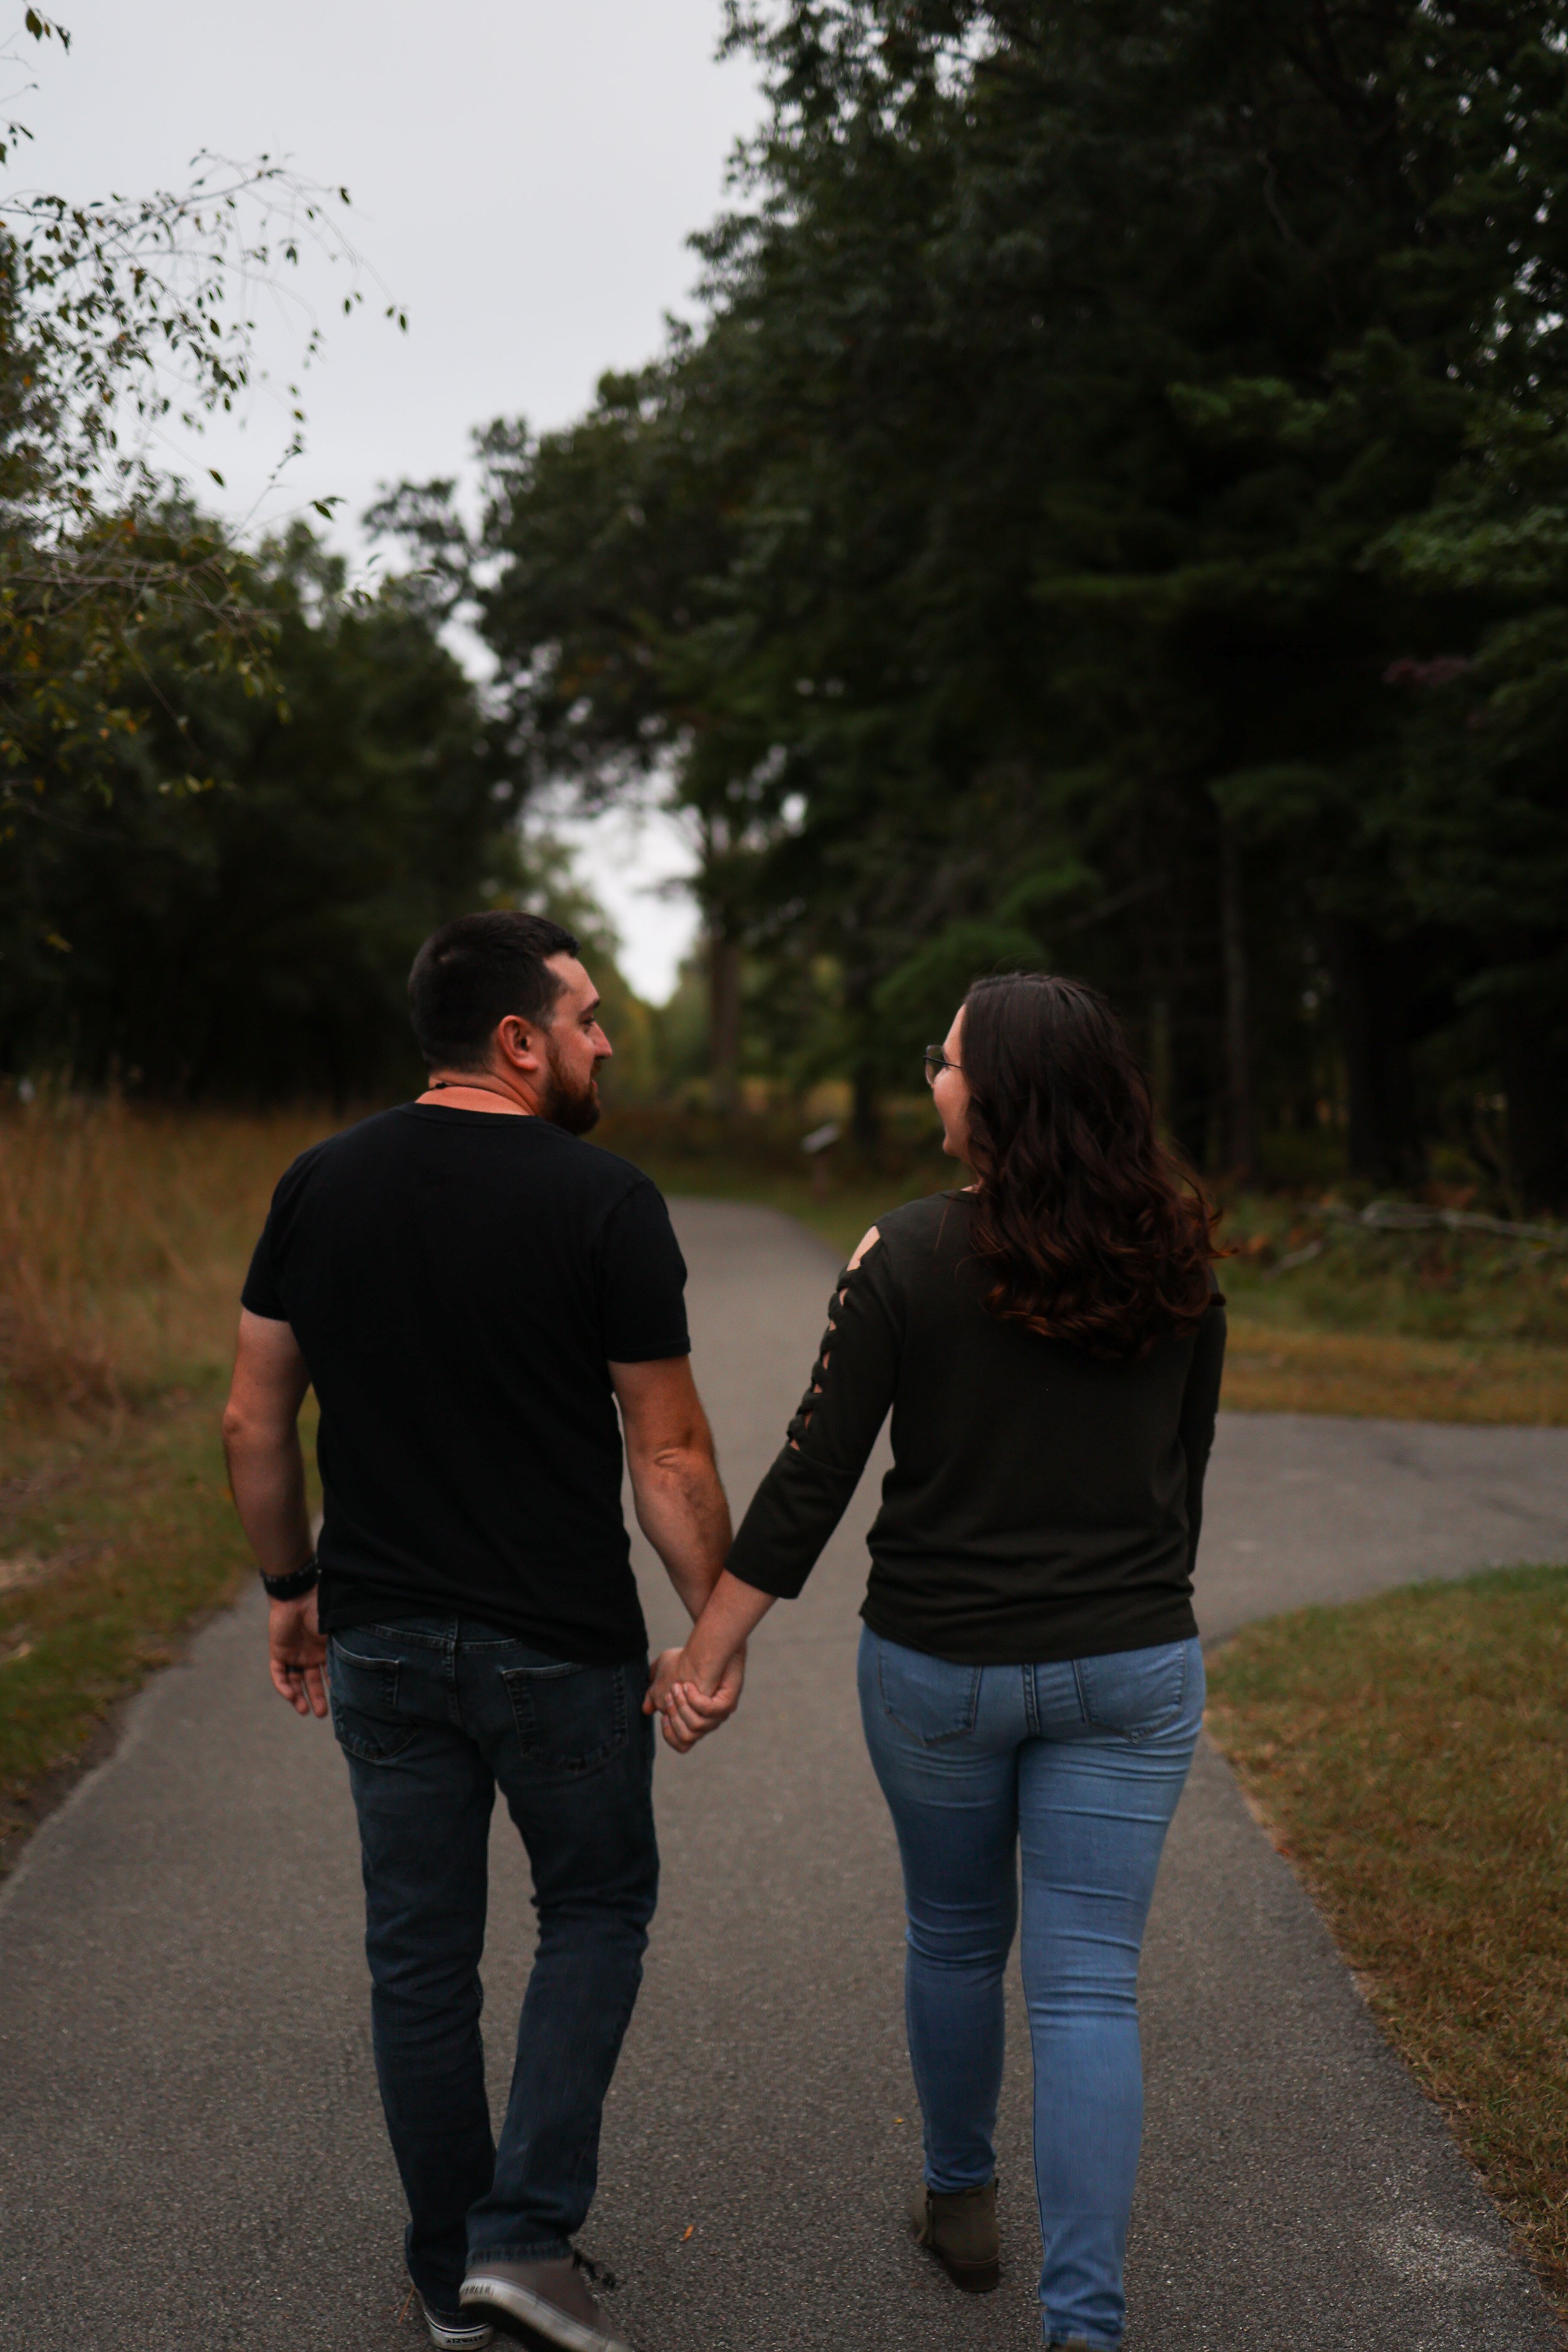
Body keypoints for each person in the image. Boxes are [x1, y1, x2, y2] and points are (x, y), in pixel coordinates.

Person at [649, 973, 1225, 2352]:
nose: (933, 1082)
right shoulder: (1180, 1262)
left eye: (947, 1062)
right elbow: (1179, 1480)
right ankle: (1082, 2325)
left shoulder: (902, 1254)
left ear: (1000, 1094)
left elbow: (810, 1481)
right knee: (1089, 1985)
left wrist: (705, 1654)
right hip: (1131, 1660)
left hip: (941, 1670)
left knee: (957, 1939)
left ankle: (959, 2200)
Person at [223, 910, 739, 2352]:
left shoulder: (317, 1186)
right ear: (518, 1039)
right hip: (556, 1648)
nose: (604, 1043)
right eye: (586, 1019)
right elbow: (671, 1449)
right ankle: (521, 2239)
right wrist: (715, 1625)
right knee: (592, 1910)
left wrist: (287, 1589)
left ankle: (452, 2271)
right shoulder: (604, 1199)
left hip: (381, 1639)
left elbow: (256, 1417)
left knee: (417, 1954)